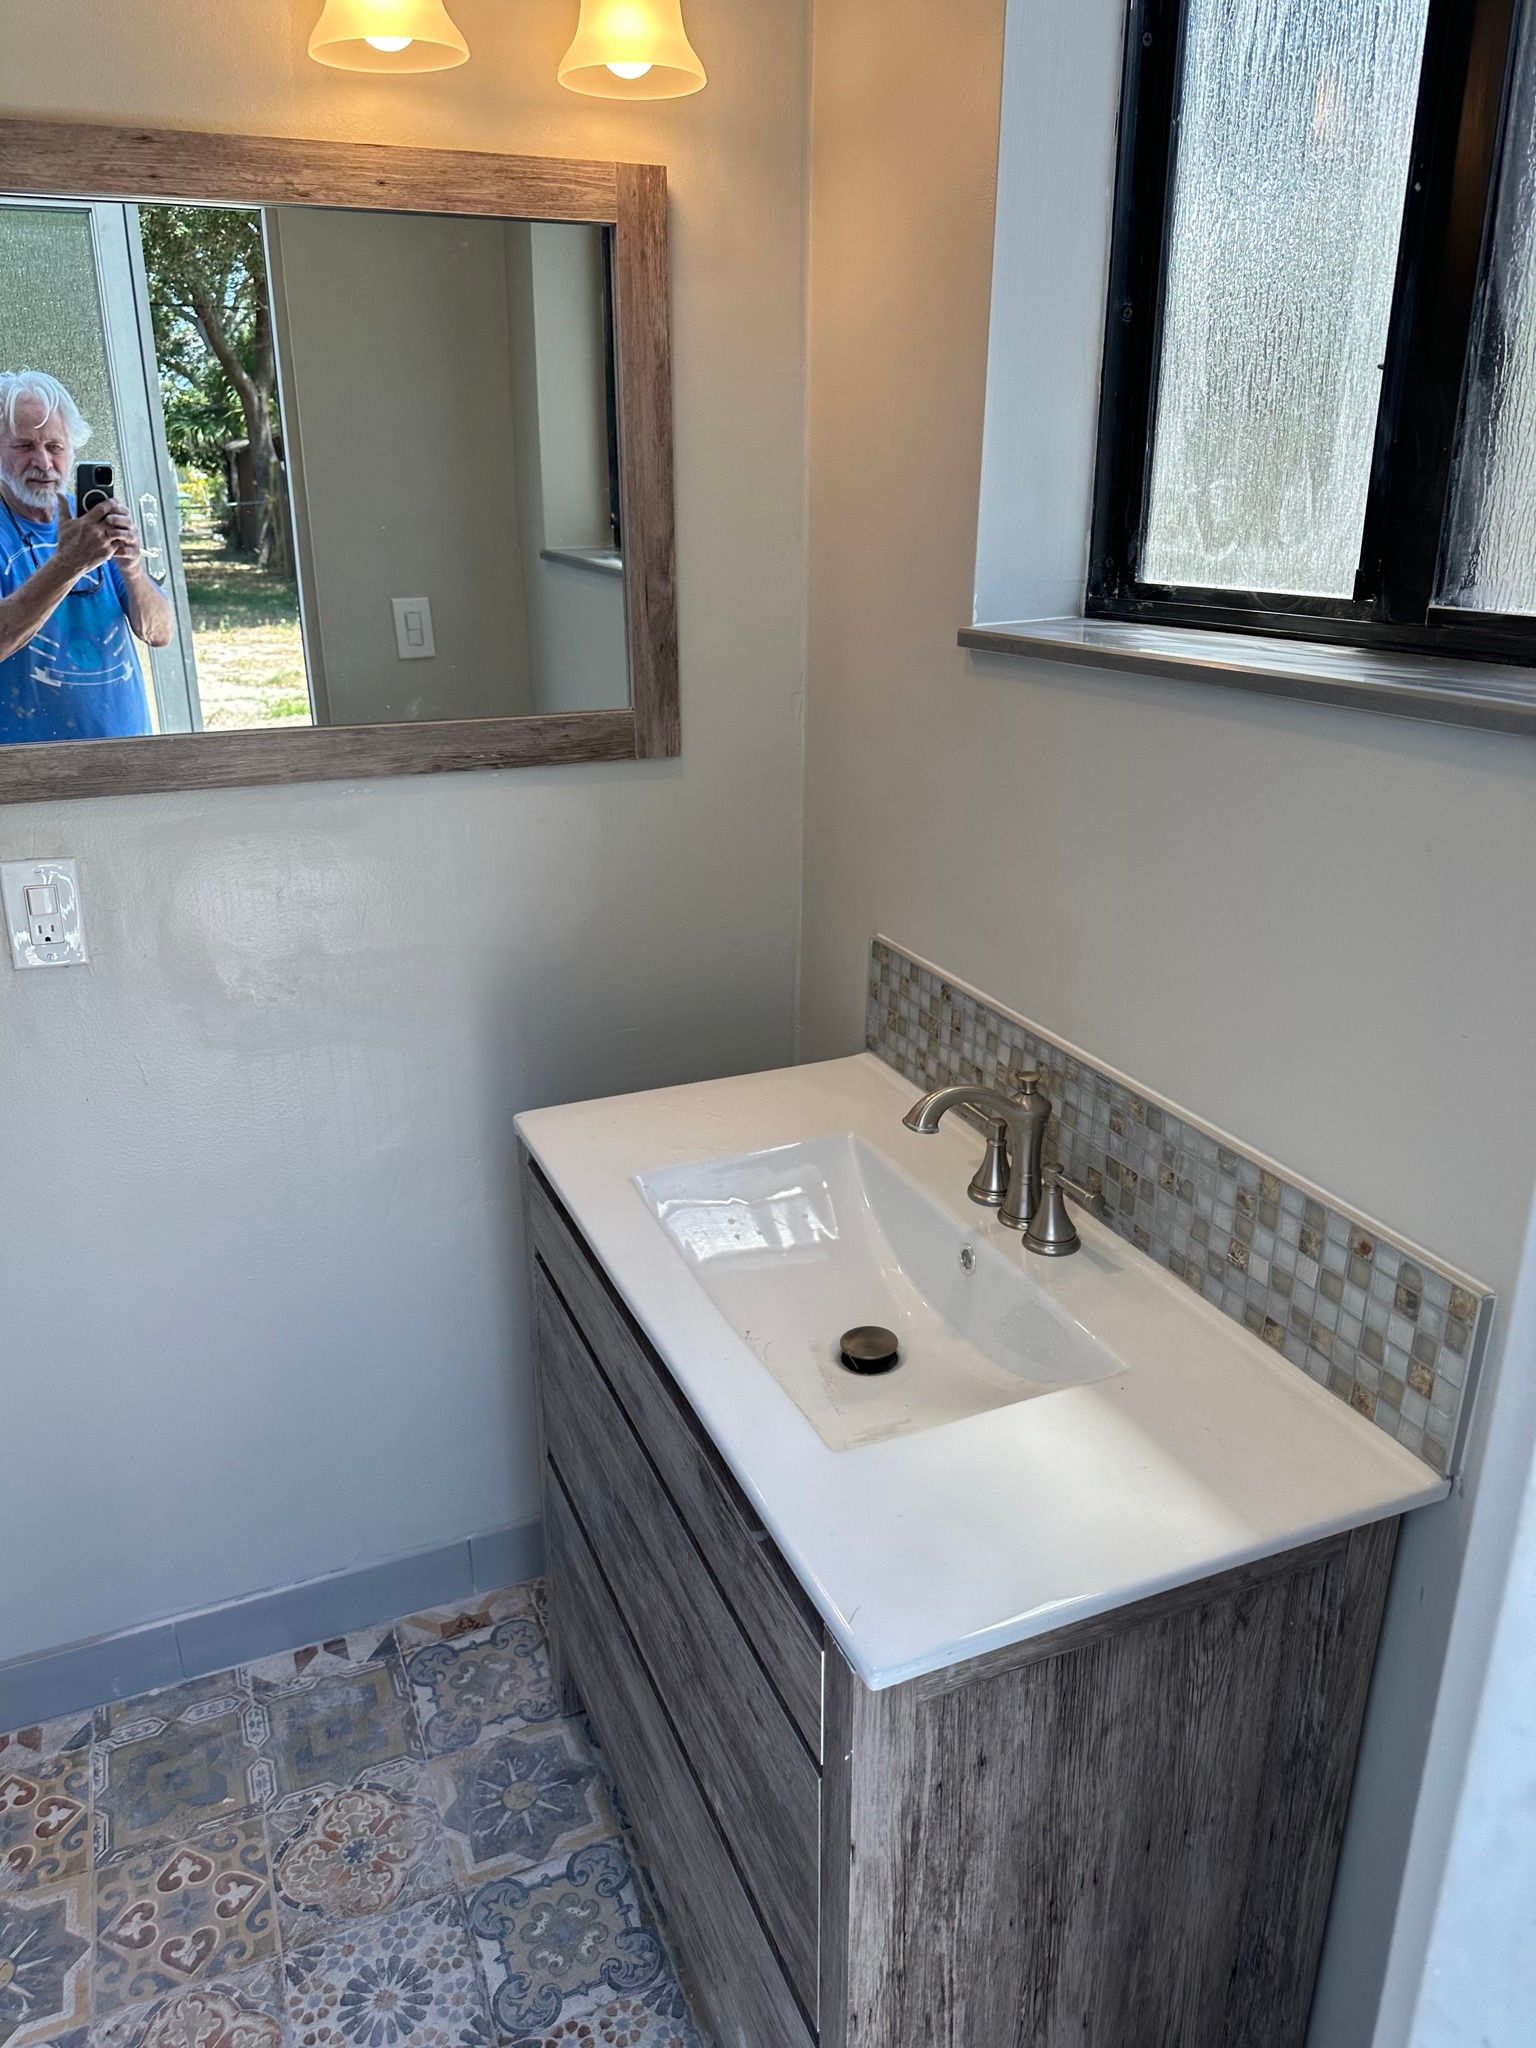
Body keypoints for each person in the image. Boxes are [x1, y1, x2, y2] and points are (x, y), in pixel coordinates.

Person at [0, 369, 175, 742]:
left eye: (54, 446)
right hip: (26, 773)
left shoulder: (91, 521)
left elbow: (160, 634)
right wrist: (69, 564)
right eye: (24, 446)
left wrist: (131, 569)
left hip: (125, 758)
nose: (44, 463)